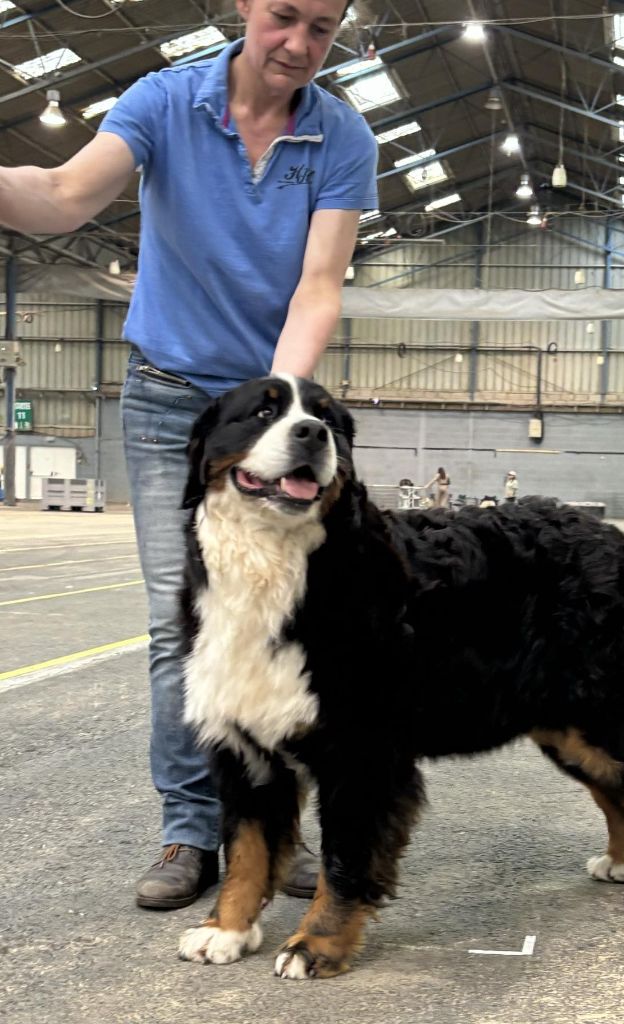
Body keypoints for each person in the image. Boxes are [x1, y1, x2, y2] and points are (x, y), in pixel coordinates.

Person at [0, 0, 374, 910]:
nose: (298, 44)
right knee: (185, 627)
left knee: (281, 626)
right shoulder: (165, 102)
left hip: (267, 404)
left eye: (323, 29)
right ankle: (187, 830)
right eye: (283, 16)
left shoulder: (343, 135)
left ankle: (271, 828)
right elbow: (62, 197)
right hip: (170, 403)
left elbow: (319, 286)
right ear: (243, 6)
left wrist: (273, 413)